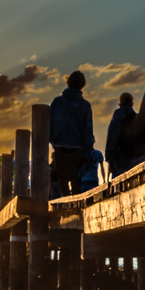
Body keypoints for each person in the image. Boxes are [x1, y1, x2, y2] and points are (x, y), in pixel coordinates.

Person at [48, 70, 94, 198]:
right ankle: (75, 210)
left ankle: (65, 208)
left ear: (68, 82)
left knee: (62, 181)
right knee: (76, 181)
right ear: (82, 85)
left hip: (60, 147)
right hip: (78, 149)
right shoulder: (85, 105)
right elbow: (88, 130)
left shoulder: (57, 102)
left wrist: (53, 141)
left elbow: (50, 125)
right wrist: (88, 151)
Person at [105, 91, 145, 178]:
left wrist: (110, 161)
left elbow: (111, 140)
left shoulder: (116, 120)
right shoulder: (138, 120)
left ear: (120, 104)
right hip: (136, 160)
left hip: (119, 161)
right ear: (132, 104)